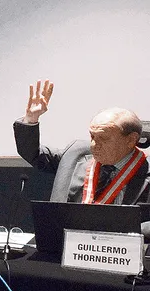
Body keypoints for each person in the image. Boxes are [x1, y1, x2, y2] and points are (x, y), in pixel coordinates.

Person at [13, 79, 150, 207]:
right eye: (92, 136)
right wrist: (31, 119)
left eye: (104, 138)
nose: (94, 145)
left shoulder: (146, 172)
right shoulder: (76, 155)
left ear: (131, 140)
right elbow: (32, 153)